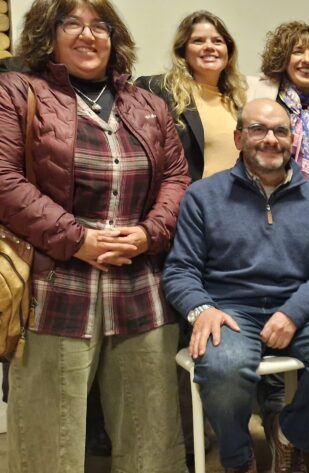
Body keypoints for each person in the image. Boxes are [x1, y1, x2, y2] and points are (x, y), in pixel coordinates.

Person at [0, 1, 190, 471]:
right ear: (50, 33)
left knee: (151, 435)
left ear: (114, 36)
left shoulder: (147, 103)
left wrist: (150, 233)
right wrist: (76, 238)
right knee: (50, 436)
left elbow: (177, 178)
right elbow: (3, 178)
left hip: (140, 287)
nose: (88, 36)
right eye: (73, 24)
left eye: (99, 26)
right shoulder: (19, 91)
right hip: (54, 287)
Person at [162, 99, 309, 473]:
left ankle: (290, 435)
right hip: (229, 309)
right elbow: (179, 270)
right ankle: (239, 458)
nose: (270, 139)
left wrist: (293, 312)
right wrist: (202, 309)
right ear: (239, 138)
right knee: (223, 367)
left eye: (281, 131)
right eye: (258, 130)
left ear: (293, 141)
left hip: (301, 307)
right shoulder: (203, 196)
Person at [247, 21, 309, 219]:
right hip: (255, 209)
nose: (308, 60)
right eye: (298, 51)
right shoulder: (254, 93)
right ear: (284, 58)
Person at [137, 10, 247, 181]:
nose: (210, 47)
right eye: (198, 41)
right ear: (183, 51)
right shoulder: (158, 90)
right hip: (187, 203)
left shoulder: (238, 100)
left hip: (235, 204)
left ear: (228, 51)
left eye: (218, 41)